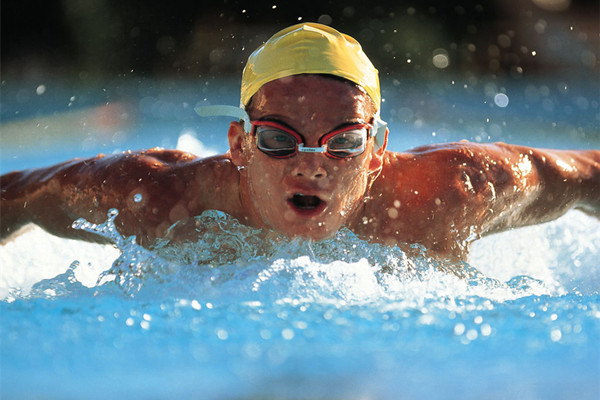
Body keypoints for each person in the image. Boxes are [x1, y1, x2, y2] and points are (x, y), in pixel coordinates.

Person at [1, 23, 598, 260]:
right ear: (239, 144)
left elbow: (588, 173)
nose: (312, 166)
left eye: (342, 144)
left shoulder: (448, 194)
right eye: (280, 140)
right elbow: (17, 194)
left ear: (379, 148)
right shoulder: (155, 201)